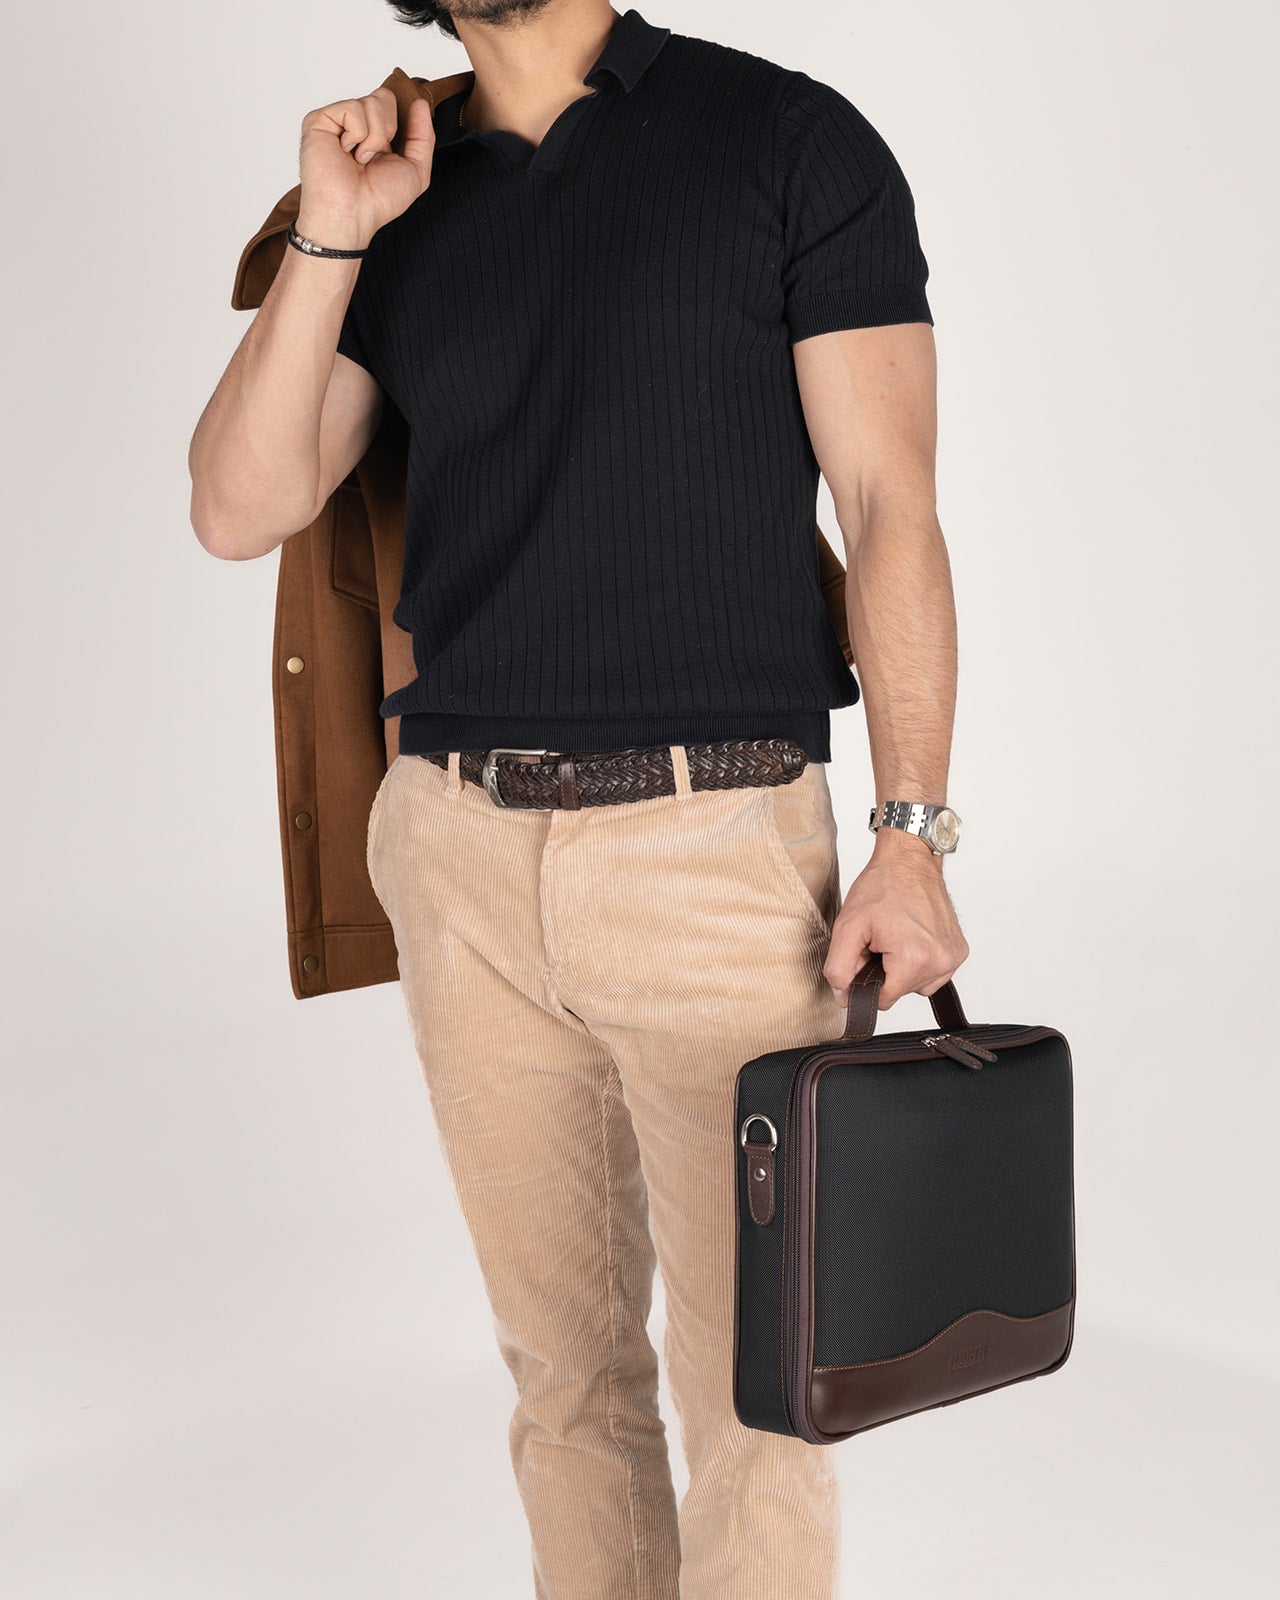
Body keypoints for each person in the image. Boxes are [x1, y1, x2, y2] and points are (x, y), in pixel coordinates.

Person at [188, 3, 969, 1594]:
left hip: (717, 847)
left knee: (757, 1401)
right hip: (460, 852)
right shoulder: (395, 190)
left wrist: (912, 835)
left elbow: (892, 503)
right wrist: (331, 235)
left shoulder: (785, 140)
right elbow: (239, 504)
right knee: (565, 1385)